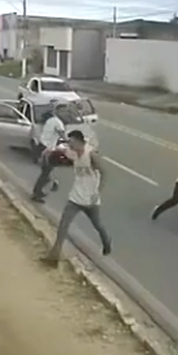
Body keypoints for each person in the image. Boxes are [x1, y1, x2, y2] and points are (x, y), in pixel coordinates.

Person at [42, 130, 111, 265]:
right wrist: (48, 151)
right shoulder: (72, 153)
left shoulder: (91, 154)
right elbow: (61, 151)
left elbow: (104, 172)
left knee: (98, 225)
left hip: (90, 199)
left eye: (72, 141)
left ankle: (107, 241)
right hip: (75, 197)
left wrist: (98, 192)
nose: (70, 144)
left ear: (79, 141)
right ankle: (53, 257)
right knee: (63, 226)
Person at [30, 107, 66, 202]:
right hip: (47, 150)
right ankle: (37, 193)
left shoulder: (50, 120)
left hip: (41, 147)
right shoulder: (58, 123)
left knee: (46, 172)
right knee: (45, 174)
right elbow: (62, 135)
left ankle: (42, 189)